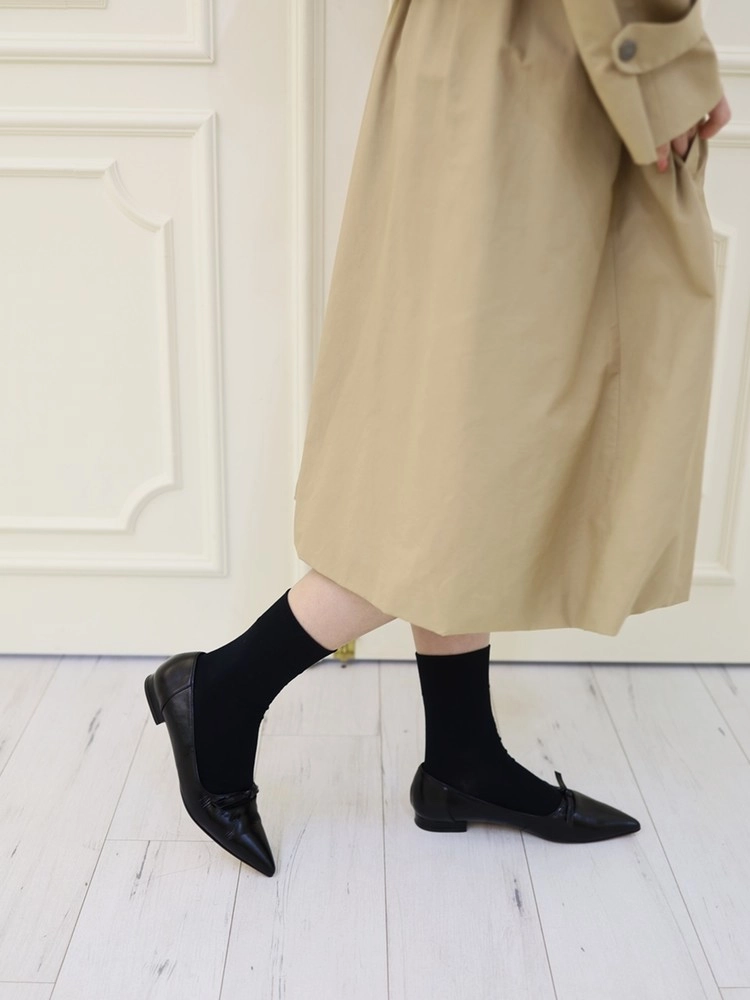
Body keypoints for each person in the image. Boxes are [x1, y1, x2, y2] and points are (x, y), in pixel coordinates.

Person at [145, 0, 731, 878]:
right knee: (486, 452)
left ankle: (461, 757)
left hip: (473, 64)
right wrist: (662, 66)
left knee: (463, 435)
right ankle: (223, 689)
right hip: (543, 69)